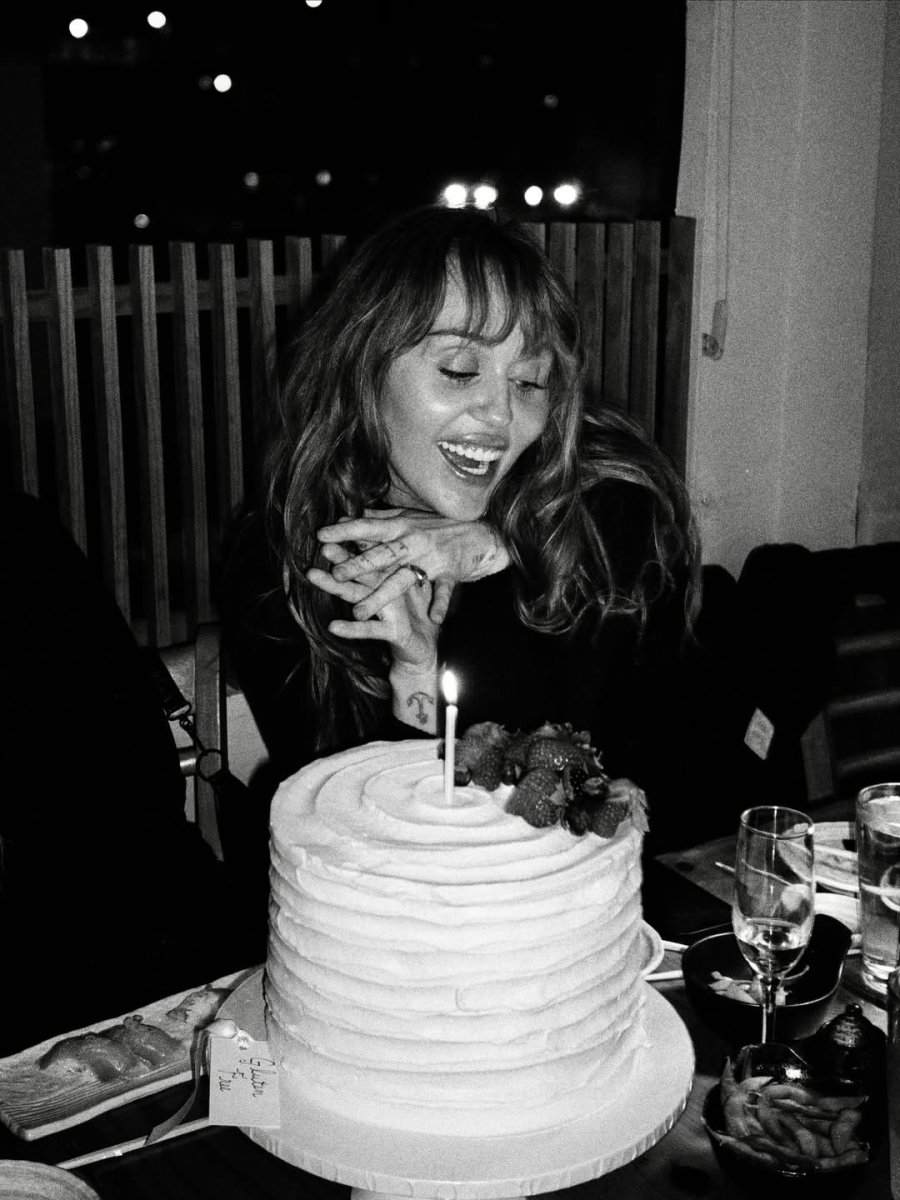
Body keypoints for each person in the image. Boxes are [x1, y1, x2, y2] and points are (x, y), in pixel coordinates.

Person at [223, 204, 746, 858]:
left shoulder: (603, 510)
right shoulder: (282, 562)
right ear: (361, 367)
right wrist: (414, 673)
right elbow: (361, 836)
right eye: (459, 370)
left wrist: (502, 548)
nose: (500, 414)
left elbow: (635, 784)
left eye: (528, 381)